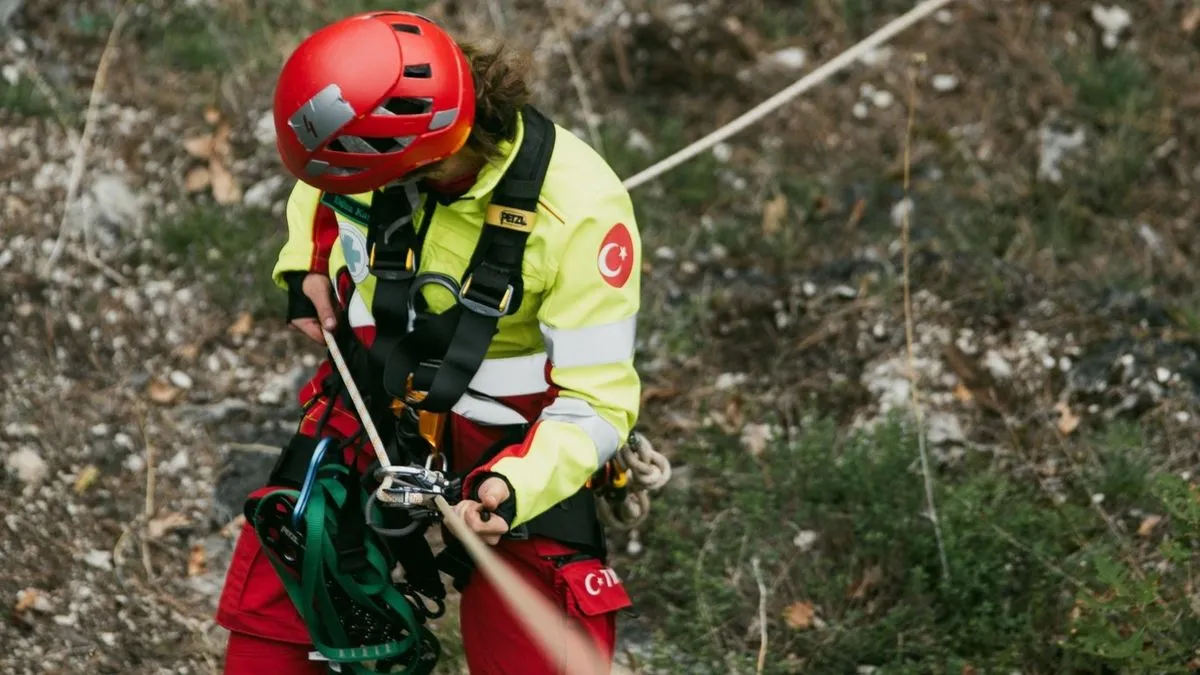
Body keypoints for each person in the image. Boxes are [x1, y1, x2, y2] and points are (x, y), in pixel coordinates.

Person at [214, 9, 643, 675]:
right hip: (374, 395)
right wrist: (303, 261)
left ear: (425, 157)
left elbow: (600, 401)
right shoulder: (369, 141)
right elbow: (322, 187)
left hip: (518, 438)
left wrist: (514, 485)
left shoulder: (581, 213)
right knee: (275, 620)